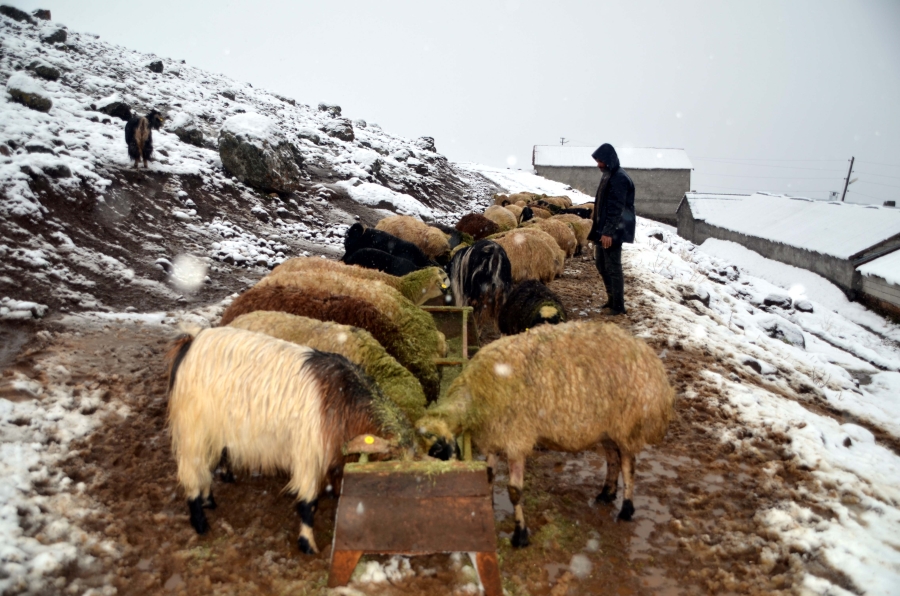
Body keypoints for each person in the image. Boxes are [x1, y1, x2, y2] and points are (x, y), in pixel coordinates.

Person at [587, 143, 635, 315]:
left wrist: (608, 232)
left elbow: (616, 208)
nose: (598, 164)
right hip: (604, 228)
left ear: (609, 160)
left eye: (601, 161)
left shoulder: (619, 178)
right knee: (601, 264)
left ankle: (618, 305)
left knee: (613, 266)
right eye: (597, 161)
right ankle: (611, 299)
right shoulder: (608, 175)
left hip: (614, 230)